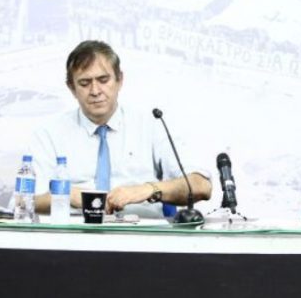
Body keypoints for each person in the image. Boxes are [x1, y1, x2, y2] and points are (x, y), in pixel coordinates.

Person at [30, 40, 211, 217]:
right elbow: (26, 201)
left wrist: (149, 189)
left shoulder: (151, 125)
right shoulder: (49, 133)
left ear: (119, 80)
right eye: (84, 83)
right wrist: (66, 195)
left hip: (140, 231)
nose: (95, 91)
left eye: (103, 80)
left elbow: (201, 186)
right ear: (71, 88)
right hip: (71, 232)